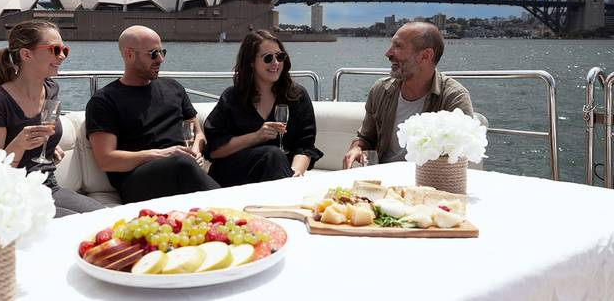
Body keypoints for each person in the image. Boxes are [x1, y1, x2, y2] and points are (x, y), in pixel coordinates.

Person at [0, 20, 104, 217]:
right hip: (9, 198)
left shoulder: (51, 89)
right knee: (79, 225)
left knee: (108, 217)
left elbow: (44, 130)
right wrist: (19, 145)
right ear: (26, 54)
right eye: (55, 49)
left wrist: (48, 148)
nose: (62, 56)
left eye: (64, 50)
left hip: (47, 187)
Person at [85, 26, 220, 204]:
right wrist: (162, 154)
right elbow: (107, 160)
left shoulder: (174, 88)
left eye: (162, 52)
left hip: (182, 167)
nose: (161, 59)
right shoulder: (104, 100)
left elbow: (197, 132)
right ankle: (232, 214)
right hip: (137, 180)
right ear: (129, 54)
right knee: (181, 165)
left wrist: (195, 150)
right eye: (153, 54)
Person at [342, 22, 473, 169]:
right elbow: (366, 138)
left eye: (398, 46)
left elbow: (459, 159)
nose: (388, 53)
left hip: (429, 183)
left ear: (425, 56)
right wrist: (356, 148)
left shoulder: (453, 98)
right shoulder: (380, 90)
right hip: (382, 181)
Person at [204, 30, 323, 186]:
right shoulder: (233, 97)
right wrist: (257, 136)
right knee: (273, 154)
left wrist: (295, 173)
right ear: (251, 62)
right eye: (268, 58)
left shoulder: (296, 96)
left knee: (276, 158)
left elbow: (305, 146)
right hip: (235, 174)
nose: (276, 63)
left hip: (278, 174)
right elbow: (214, 150)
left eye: (280, 56)